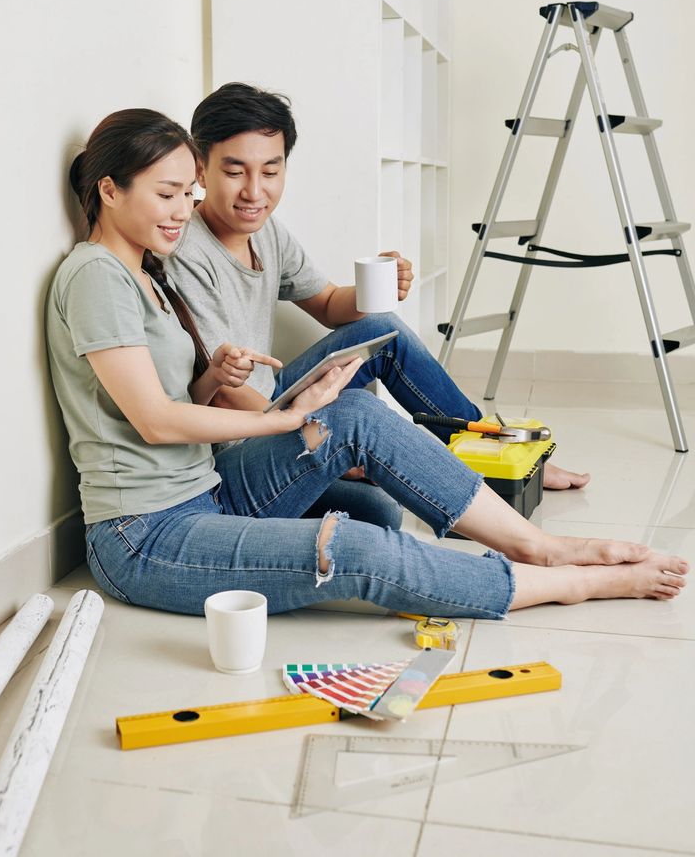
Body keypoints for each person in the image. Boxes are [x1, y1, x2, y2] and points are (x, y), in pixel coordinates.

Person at [45, 107, 686, 620]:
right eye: (168, 194)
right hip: (146, 534)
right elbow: (155, 422)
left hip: (208, 489)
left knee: (360, 441)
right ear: (109, 190)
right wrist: (285, 419)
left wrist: (216, 378)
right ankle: (564, 583)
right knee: (351, 544)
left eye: (186, 194)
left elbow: (173, 394)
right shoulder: (98, 276)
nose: (183, 210)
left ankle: (536, 544)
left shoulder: (145, 270)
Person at [165, 82, 590, 532]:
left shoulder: (266, 232)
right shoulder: (186, 251)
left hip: (274, 398)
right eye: (235, 172)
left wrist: (378, 288)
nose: (255, 191)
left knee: (382, 329)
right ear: (200, 169)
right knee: (381, 512)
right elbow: (224, 393)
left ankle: (495, 456)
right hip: (238, 434)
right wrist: (310, 428)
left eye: (270, 171)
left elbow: (329, 304)